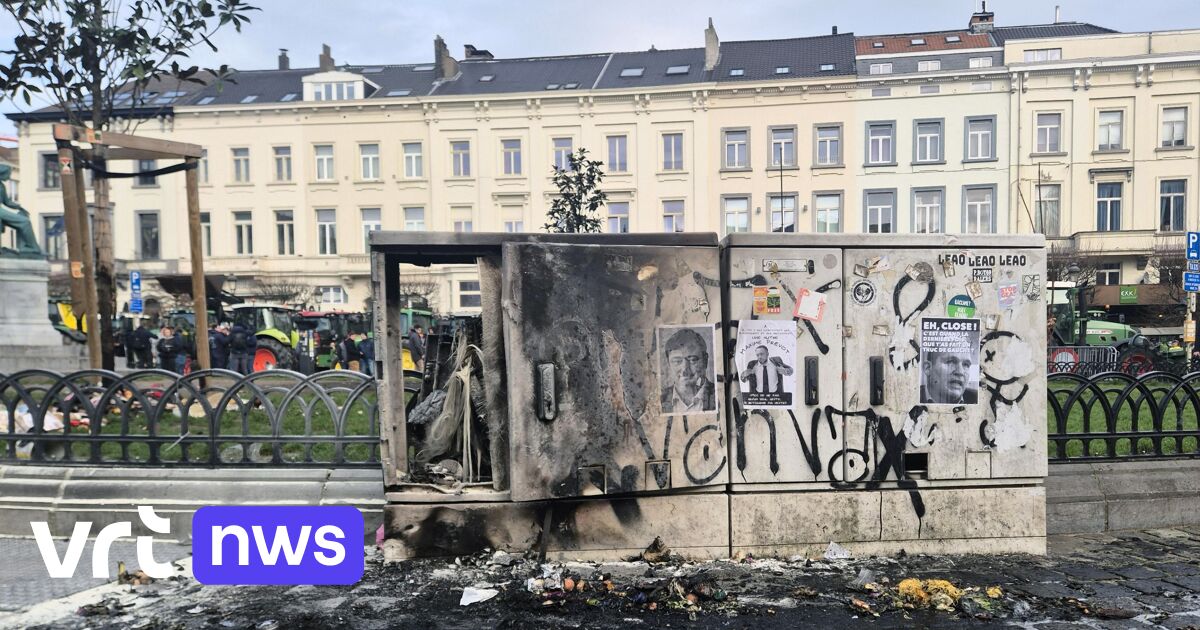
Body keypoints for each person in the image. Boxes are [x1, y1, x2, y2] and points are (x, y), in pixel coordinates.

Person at [660, 328, 716, 414]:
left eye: (692, 360)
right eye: (677, 361)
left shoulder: (719, 394)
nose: (685, 369)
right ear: (668, 364)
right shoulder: (659, 400)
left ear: (705, 361)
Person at [0, 164, 40, 256]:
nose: (9, 177)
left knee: (23, 216)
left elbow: (7, 202)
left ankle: (25, 247)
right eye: (8, 174)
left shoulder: (2, 186)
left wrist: (20, 208)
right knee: (24, 222)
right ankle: (32, 247)